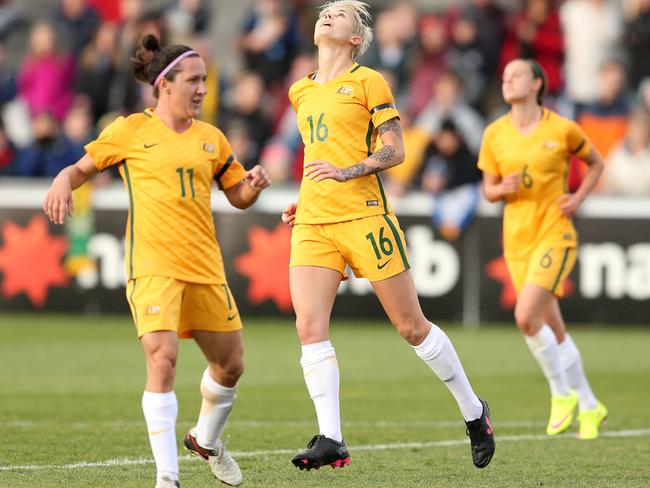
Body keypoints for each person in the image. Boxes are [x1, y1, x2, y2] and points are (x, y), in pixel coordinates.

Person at [43, 34, 271, 488]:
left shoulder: (212, 139)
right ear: (165, 84)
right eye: (194, 80)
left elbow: (237, 196)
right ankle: (167, 477)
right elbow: (80, 169)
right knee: (163, 359)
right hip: (152, 267)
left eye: (205, 80)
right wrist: (63, 181)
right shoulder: (130, 131)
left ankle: (206, 440)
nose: (203, 89)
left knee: (231, 366)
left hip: (205, 268)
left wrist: (254, 184)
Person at [281, 0, 495, 472]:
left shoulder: (368, 81)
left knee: (411, 327)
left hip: (365, 216)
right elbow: (317, 155)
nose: (328, 15)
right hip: (315, 220)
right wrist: (307, 195)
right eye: (325, 11)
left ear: (356, 38)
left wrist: (345, 173)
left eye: (340, 14)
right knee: (309, 327)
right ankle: (331, 438)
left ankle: (474, 412)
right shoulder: (300, 90)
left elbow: (394, 150)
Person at [477, 58, 607, 440]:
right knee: (553, 328)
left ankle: (560, 393)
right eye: (504, 75)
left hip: (555, 234)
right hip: (517, 241)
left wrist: (578, 197)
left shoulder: (562, 128)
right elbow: (488, 190)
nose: (508, 79)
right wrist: (502, 190)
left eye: (516, 74)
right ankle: (589, 403)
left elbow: (596, 163)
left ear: (536, 83)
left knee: (525, 317)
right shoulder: (494, 134)